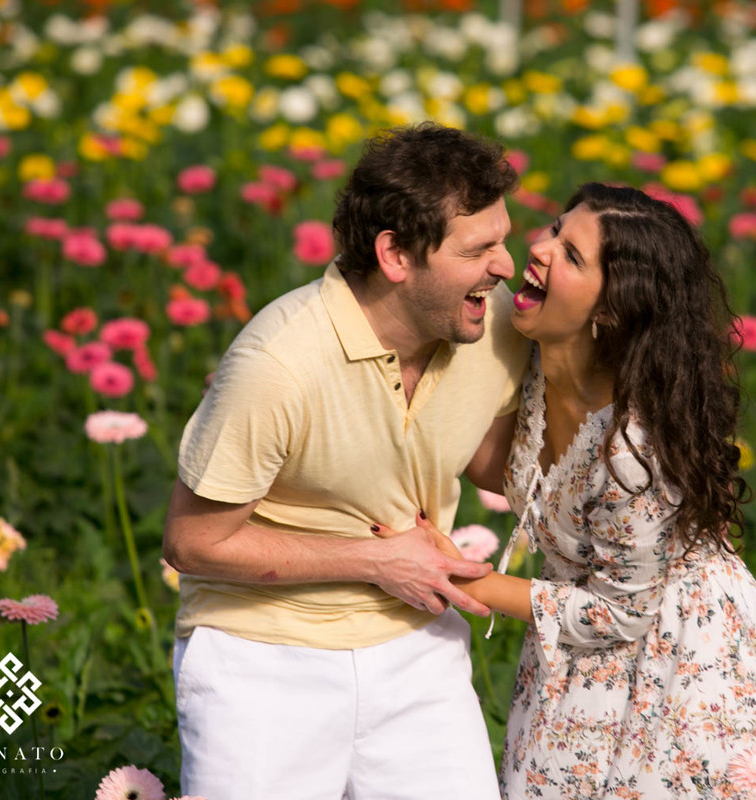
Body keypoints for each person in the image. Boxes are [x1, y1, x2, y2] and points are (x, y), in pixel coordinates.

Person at [376, 183, 756, 797]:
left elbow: (619, 611)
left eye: (571, 255)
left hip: (680, 659)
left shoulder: (634, 449)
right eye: (553, 229)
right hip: (577, 643)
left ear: (610, 311)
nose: (539, 249)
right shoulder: (534, 360)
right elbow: (494, 466)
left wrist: (453, 574)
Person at [162, 122, 531, 800]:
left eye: (503, 240)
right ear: (395, 255)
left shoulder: (489, 321)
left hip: (421, 650)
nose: (506, 264)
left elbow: (487, 462)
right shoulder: (278, 361)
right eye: (481, 248)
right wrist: (375, 562)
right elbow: (191, 541)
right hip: (263, 660)